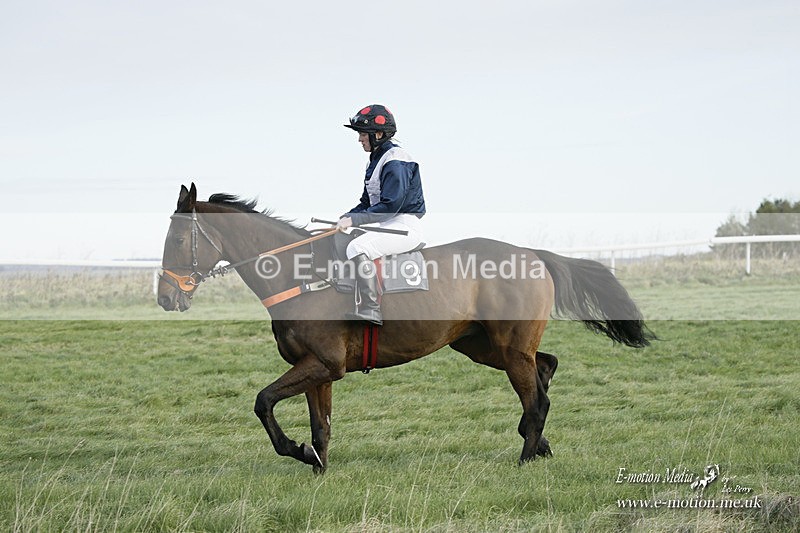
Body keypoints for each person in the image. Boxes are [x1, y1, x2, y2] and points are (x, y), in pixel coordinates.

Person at [338, 104, 426, 325]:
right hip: (388, 224)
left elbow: (390, 206)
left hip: (403, 225)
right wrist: (345, 217)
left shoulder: (396, 159)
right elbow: (366, 203)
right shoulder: (377, 160)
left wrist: (355, 219)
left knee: (357, 247)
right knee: (345, 239)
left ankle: (371, 308)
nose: (360, 139)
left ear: (378, 134)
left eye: (362, 134)